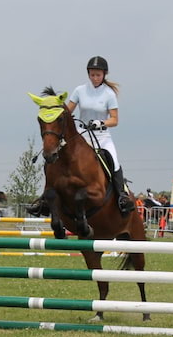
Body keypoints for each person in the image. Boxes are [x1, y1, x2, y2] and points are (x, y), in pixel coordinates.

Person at [28, 55, 133, 216]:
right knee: (53, 158)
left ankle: (122, 197)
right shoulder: (80, 90)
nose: (95, 78)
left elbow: (115, 120)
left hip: (102, 136)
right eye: (92, 74)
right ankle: (44, 199)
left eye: (98, 75)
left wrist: (101, 123)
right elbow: (67, 112)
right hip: (81, 134)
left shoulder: (109, 94)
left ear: (104, 75)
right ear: (88, 74)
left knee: (114, 161)